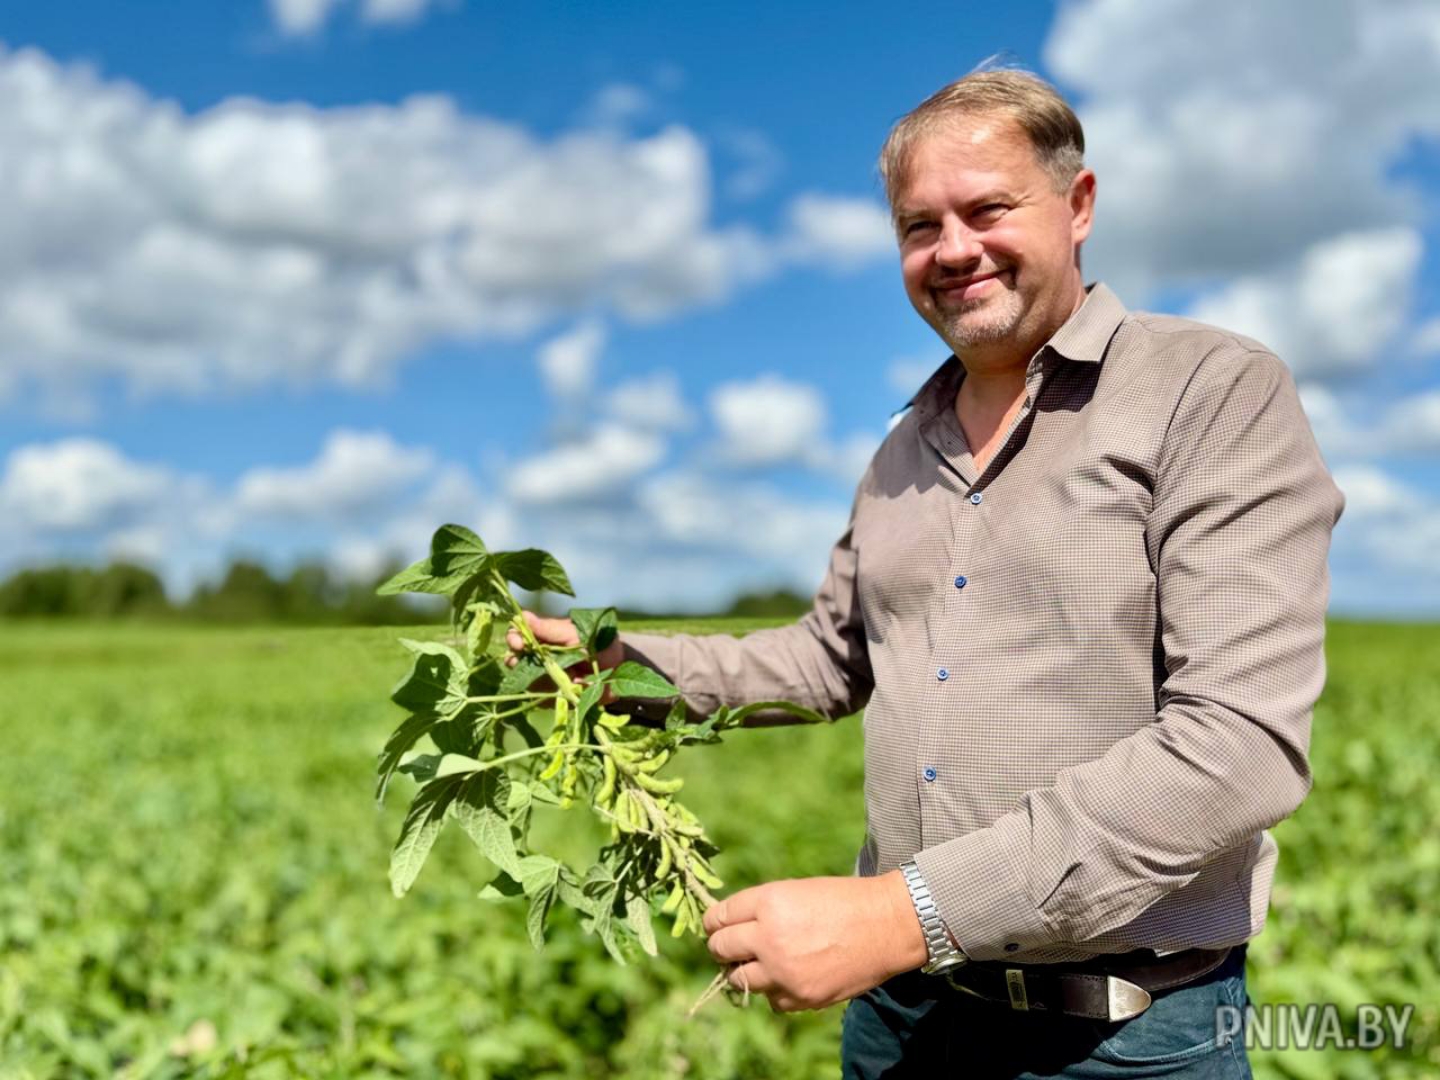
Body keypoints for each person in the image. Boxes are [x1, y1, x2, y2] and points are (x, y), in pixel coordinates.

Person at [507, 67, 1344, 1077]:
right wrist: (615, 668)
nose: (952, 250)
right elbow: (825, 661)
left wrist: (904, 916)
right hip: (905, 1017)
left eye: (988, 210)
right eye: (919, 226)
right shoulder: (901, 451)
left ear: (1078, 205)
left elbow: (1237, 747)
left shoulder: (1208, 392)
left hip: (1119, 1034)